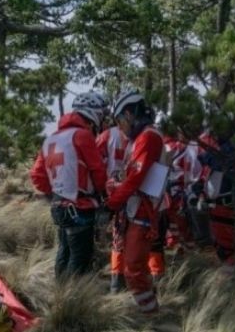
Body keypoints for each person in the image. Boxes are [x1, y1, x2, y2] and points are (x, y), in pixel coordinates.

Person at [30, 92, 108, 280]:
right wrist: (104, 195)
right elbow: (98, 170)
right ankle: (75, 296)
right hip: (80, 207)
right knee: (80, 258)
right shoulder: (82, 136)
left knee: (64, 253)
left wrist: (57, 192)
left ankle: (61, 293)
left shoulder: (50, 139)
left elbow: (37, 176)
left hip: (58, 207)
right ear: (93, 114)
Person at [105, 90, 168, 313]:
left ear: (129, 114)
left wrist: (111, 204)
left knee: (133, 267)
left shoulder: (148, 137)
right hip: (136, 209)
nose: (119, 127)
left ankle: (150, 315)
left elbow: (135, 179)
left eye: (119, 120)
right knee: (134, 266)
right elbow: (130, 176)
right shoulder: (139, 139)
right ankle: (148, 308)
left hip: (143, 211)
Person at [96, 110, 131, 292]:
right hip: (135, 195)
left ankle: (117, 283)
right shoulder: (140, 135)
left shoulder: (106, 136)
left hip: (115, 195)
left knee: (119, 238)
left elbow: (96, 164)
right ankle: (123, 280)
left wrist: (104, 189)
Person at [196, 132, 235, 274]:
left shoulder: (231, 146)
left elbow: (215, 161)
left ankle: (232, 281)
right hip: (219, 203)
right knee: (222, 245)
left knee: (228, 248)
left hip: (225, 203)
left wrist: (202, 154)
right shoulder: (225, 145)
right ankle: (229, 276)